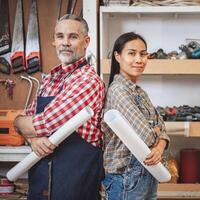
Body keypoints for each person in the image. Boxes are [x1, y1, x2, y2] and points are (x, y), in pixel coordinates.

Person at [13, 14, 105, 200]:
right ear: (54, 41)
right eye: (60, 36)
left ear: (86, 41)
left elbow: (46, 122)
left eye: (73, 36)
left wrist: (23, 124)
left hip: (74, 186)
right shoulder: (49, 80)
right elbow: (22, 122)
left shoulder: (88, 81)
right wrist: (33, 140)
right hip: (41, 185)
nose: (65, 42)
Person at [101, 32, 170, 200]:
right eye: (132, 53)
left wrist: (159, 146)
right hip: (126, 177)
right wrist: (157, 132)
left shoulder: (140, 93)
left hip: (146, 173)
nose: (139, 60)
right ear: (117, 56)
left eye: (143, 54)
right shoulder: (118, 91)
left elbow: (163, 129)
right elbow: (145, 136)